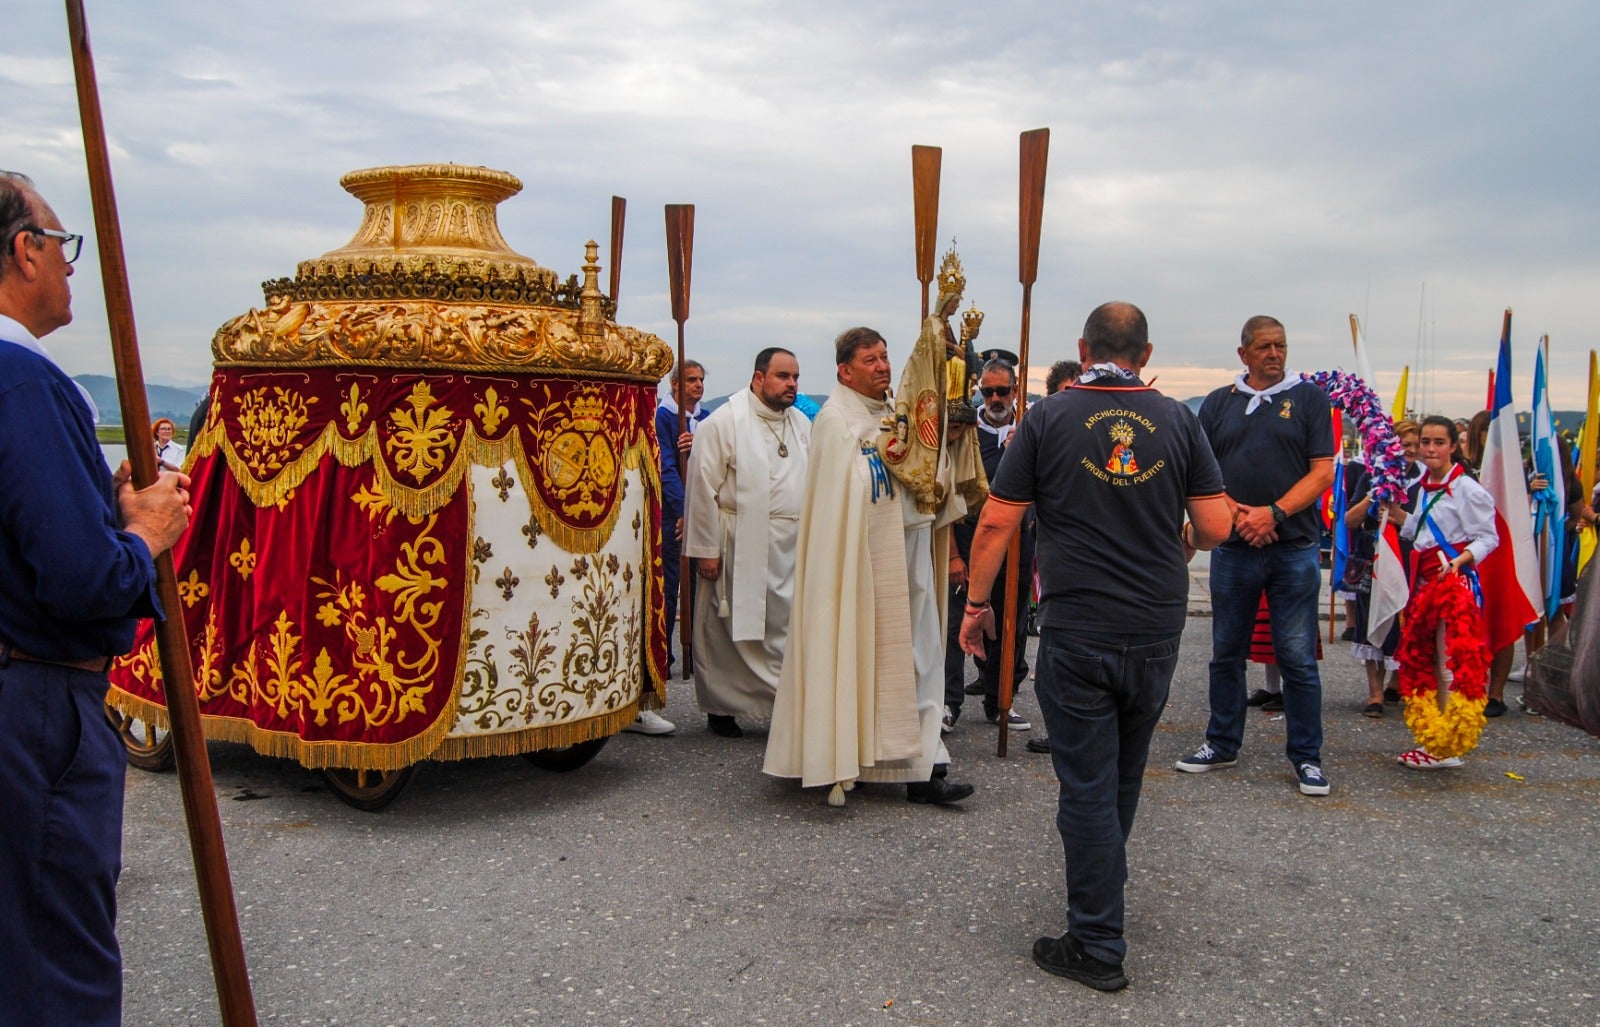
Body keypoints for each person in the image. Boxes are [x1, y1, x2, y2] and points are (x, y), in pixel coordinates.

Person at [962, 301, 1229, 992]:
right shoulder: (1177, 418)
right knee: (1122, 773)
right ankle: (1102, 899)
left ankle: (1098, 938)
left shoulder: (1049, 416)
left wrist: (978, 604)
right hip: (1156, 619)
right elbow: (1216, 524)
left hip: (1080, 619)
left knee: (1086, 780)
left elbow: (996, 520)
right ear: (1145, 351)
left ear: (1085, 347)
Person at [1, 171, 191, 1027]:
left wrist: (102, 512)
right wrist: (142, 535)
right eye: (62, 246)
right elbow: (82, 581)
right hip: (35, 702)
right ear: (23, 251)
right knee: (54, 966)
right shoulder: (27, 384)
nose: (72, 269)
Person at [764, 325, 975, 806]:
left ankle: (924, 763)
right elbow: (845, 494)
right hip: (863, 560)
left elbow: (920, 473)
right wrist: (895, 458)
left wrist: (936, 446)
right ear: (845, 370)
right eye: (870, 360)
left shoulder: (892, 413)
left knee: (921, 652)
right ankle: (858, 756)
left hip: (912, 545)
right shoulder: (836, 421)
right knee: (870, 656)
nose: (883, 366)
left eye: (885, 357)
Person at [1176, 315, 1336, 796]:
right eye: (1264, 346)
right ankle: (1221, 743)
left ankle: (1307, 757)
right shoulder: (1219, 405)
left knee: (1297, 658)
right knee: (1226, 652)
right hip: (1234, 551)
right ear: (1243, 353)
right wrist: (1238, 515)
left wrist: (1273, 513)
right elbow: (1200, 474)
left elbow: (1322, 472)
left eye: (1281, 345)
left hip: (1294, 549)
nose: (1274, 353)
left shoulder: (1309, 398)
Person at [683, 348, 810, 737]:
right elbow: (702, 488)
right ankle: (723, 707)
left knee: (784, 628)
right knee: (728, 629)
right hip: (738, 543)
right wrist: (706, 550)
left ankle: (786, 705)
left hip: (791, 545)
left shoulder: (802, 422)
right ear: (758, 378)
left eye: (795, 377)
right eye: (783, 377)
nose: (791, 385)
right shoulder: (723, 423)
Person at [1380, 415, 1498, 768]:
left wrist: (1461, 560)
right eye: (1426, 442)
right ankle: (1434, 737)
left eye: (1438, 442)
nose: (1431, 449)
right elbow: (1418, 529)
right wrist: (1391, 509)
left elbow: (1489, 537)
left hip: (1450, 582)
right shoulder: (1424, 484)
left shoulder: (1467, 489)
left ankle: (1447, 746)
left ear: (1453, 446)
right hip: (1424, 579)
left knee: (1449, 659)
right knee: (1426, 657)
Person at [944, 357, 1033, 735]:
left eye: (1003, 391)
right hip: (970, 540)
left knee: (1011, 624)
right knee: (953, 625)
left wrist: (1025, 453)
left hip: (1016, 544)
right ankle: (949, 702)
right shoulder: (963, 431)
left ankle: (1001, 700)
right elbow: (944, 493)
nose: (996, 399)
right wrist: (952, 554)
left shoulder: (1030, 431)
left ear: (1015, 390)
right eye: (989, 391)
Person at [638, 360, 707, 735]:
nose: (697, 386)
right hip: (674, 514)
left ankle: (697, 651)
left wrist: (700, 443)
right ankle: (662, 655)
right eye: (691, 381)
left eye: (701, 380)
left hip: (696, 511)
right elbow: (666, 465)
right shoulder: (664, 417)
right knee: (667, 587)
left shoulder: (703, 418)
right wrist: (682, 508)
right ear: (675, 385)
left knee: (699, 583)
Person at [1344, 418, 1421, 715]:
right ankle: (1374, 693)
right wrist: (1371, 498)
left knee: (1405, 621)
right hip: (1373, 555)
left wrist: (1400, 515)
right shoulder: (1370, 475)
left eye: (1416, 445)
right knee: (1370, 618)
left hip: (1407, 557)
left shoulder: (1423, 482)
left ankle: (1396, 682)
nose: (1411, 450)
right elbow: (1349, 520)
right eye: (1405, 445)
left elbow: (1428, 525)